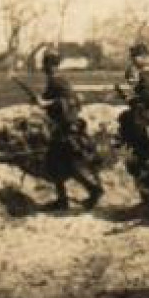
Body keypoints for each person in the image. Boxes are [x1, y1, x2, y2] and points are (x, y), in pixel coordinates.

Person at [34, 49, 103, 210]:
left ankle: (93, 191)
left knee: (69, 164)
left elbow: (66, 101)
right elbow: (52, 98)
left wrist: (46, 104)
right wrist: (41, 101)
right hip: (65, 128)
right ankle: (63, 199)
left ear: (50, 65)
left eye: (46, 64)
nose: (44, 68)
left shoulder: (57, 81)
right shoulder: (57, 80)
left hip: (65, 129)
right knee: (56, 163)